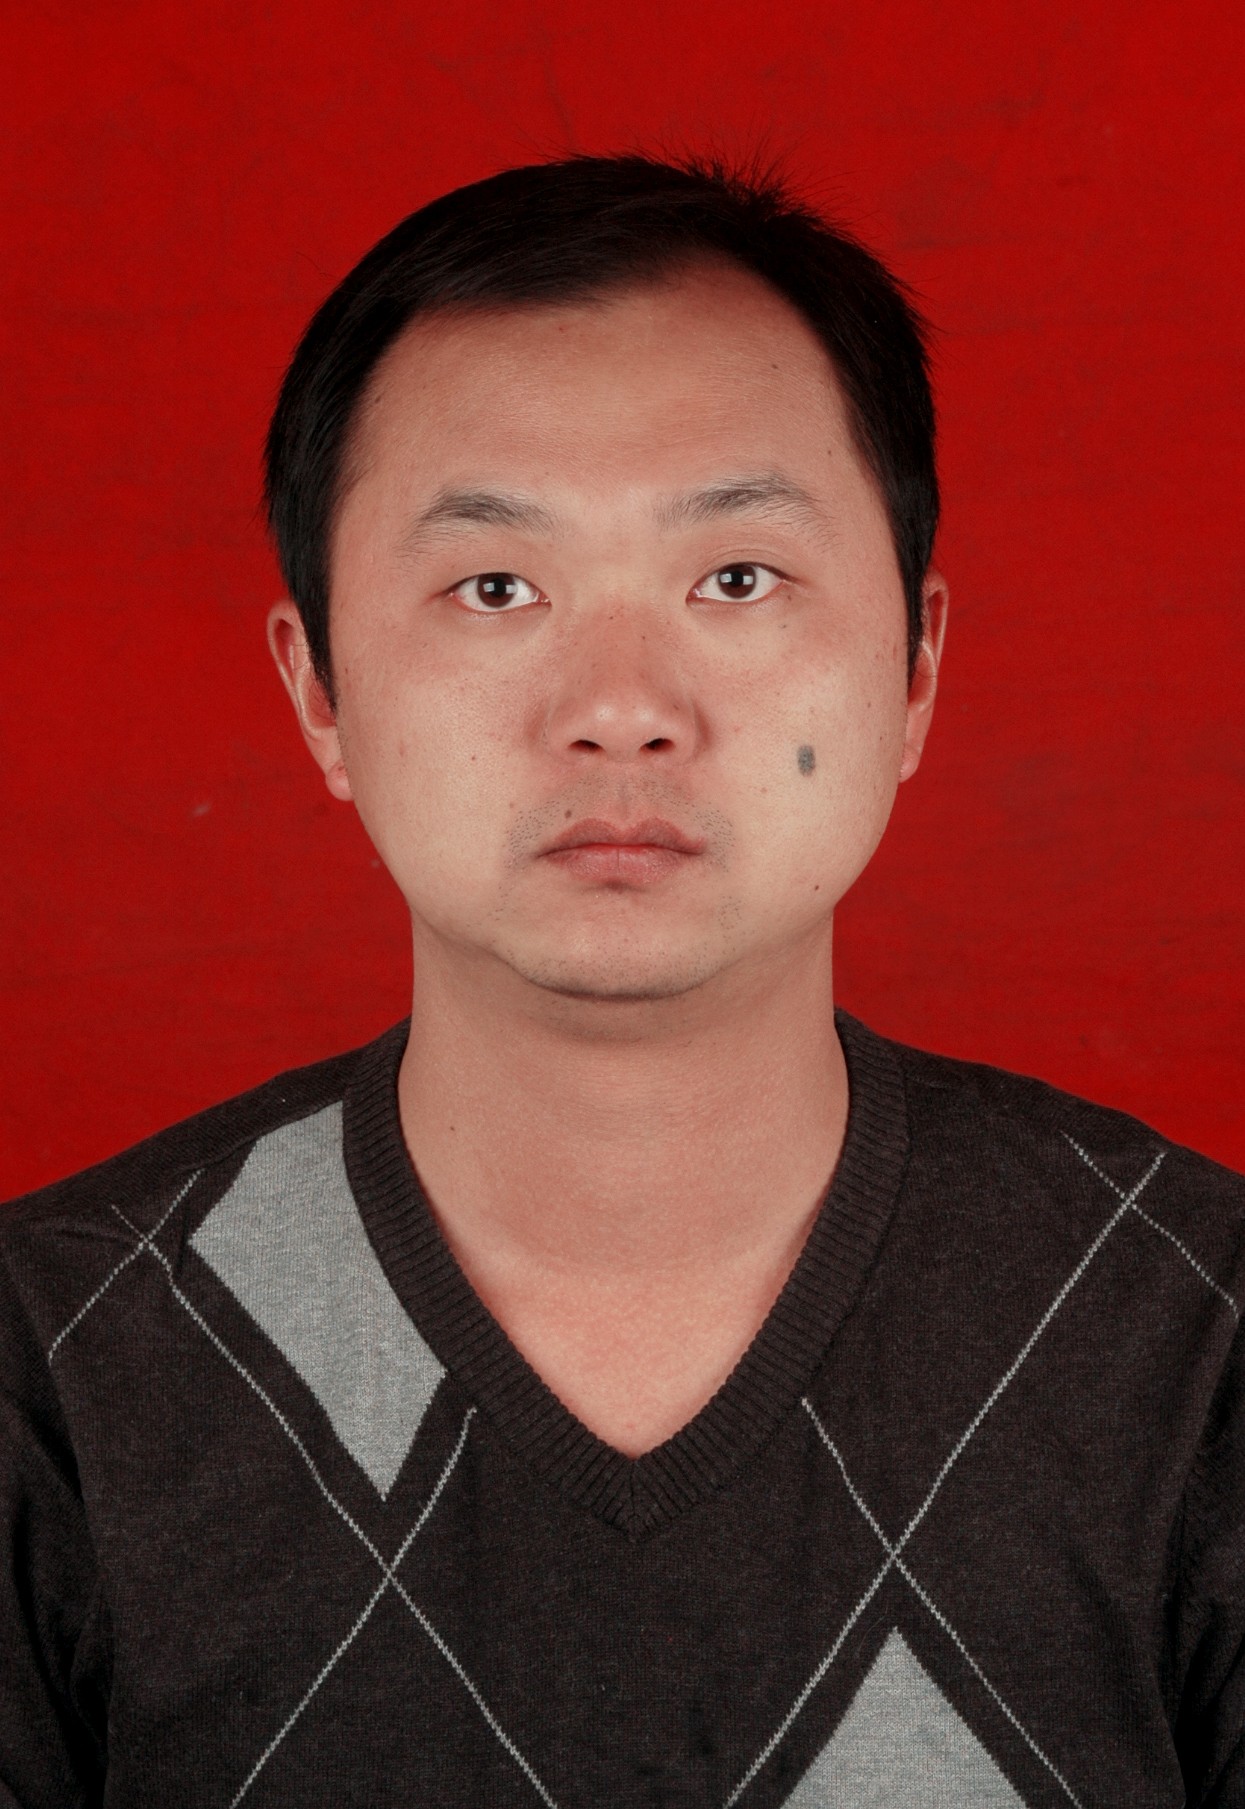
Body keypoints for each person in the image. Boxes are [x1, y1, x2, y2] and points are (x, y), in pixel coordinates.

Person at [1, 153, 1241, 1809]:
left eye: (735, 576)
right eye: (494, 587)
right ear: (319, 691)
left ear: (915, 666)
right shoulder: (56, 1359)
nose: (620, 710)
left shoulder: (1192, 1332)